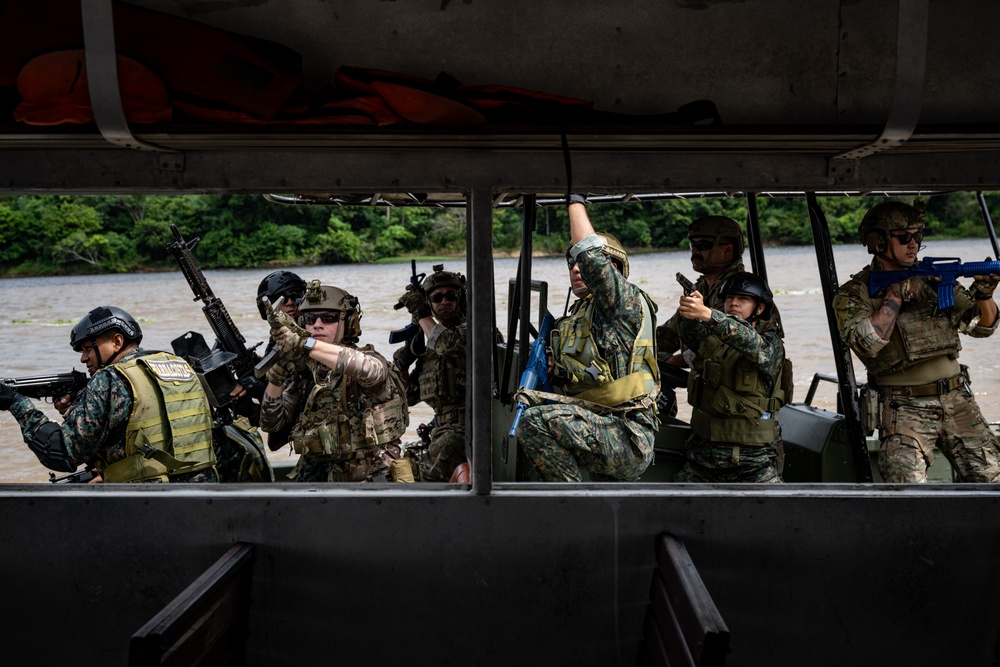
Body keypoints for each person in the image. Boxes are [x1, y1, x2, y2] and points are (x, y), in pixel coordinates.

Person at [833, 200, 1000, 483]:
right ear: (878, 242)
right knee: (906, 489)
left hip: (957, 399)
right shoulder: (855, 293)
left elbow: (980, 328)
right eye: (904, 237)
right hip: (903, 407)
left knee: (992, 476)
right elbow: (867, 344)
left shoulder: (934, 280)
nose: (914, 245)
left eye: (917, 236)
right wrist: (895, 297)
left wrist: (984, 294)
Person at [515, 194, 660, 482]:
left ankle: (572, 503)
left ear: (613, 270)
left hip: (627, 433)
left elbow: (591, 258)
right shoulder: (575, 318)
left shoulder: (623, 304)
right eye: (570, 263)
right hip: (598, 426)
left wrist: (574, 199)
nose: (576, 269)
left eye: (581, 262)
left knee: (532, 423)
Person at [0, 306, 218, 483]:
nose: (83, 358)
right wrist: (76, 411)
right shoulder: (179, 366)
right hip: (204, 490)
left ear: (117, 342)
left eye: (88, 348)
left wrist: (16, 403)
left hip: (150, 502)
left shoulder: (109, 379)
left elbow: (60, 452)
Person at [259, 280, 411, 483]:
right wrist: (276, 378)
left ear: (347, 323)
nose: (317, 324)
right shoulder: (307, 371)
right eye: (310, 318)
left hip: (367, 477)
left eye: (328, 318)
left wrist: (303, 343)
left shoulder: (371, 360)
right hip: (317, 474)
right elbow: (271, 423)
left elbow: (364, 368)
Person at [673, 272, 786, 483]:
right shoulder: (713, 337)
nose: (734, 303)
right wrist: (690, 314)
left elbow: (749, 341)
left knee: (776, 511)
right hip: (702, 459)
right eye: (729, 299)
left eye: (743, 299)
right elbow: (691, 337)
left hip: (751, 463)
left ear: (759, 308)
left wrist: (709, 315)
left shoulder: (771, 345)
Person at [393, 264, 469, 482]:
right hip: (441, 427)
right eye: (437, 298)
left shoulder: (472, 330)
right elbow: (410, 397)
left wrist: (421, 314)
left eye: (450, 296)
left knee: (425, 477)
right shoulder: (428, 346)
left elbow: (447, 343)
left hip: (468, 426)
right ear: (430, 302)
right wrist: (403, 365)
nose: (444, 301)